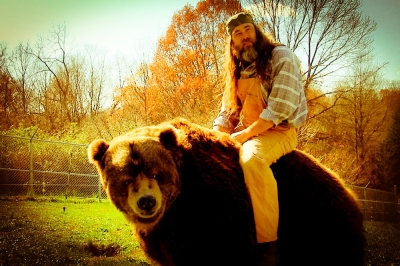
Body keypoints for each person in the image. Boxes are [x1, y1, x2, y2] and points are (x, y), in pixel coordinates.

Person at [213, 12, 308, 265]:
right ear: (232, 43)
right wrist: (215, 137)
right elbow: (228, 111)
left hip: (278, 130)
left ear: (257, 31)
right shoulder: (237, 68)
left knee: (252, 160)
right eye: (237, 34)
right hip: (245, 130)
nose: (244, 37)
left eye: (247, 30)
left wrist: (242, 136)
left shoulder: (281, 57)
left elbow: (280, 108)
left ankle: (269, 246)